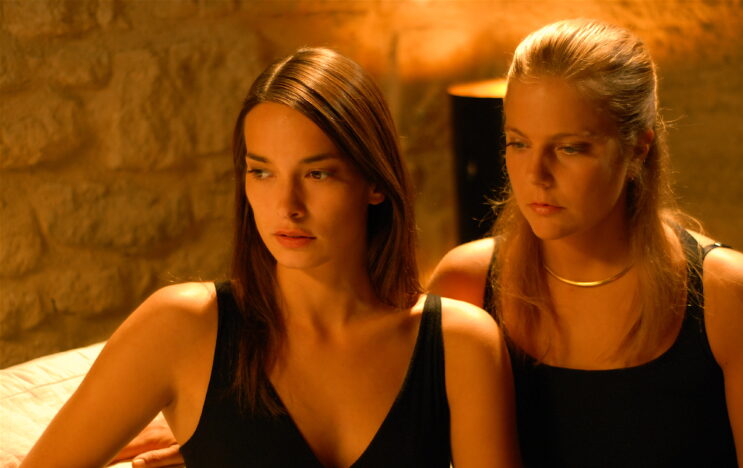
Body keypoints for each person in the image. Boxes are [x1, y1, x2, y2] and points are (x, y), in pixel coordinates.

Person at [21, 47, 521, 468]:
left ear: (374, 181)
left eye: (317, 173)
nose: (287, 206)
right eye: (262, 172)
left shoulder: (461, 344)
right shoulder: (182, 327)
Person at [428, 19, 743, 467]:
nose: (536, 175)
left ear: (638, 148)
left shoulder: (733, 297)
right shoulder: (463, 288)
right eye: (518, 143)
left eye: (570, 148)